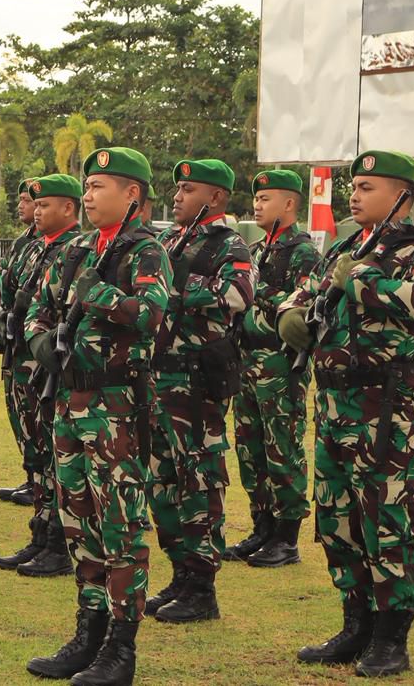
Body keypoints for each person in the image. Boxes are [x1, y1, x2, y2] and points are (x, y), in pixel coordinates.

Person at [280, 150, 414, 677]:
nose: (355, 194)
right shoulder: (345, 247)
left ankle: (392, 638)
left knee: (387, 518)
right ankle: (356, 623)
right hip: (334, 403)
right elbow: (299, 295)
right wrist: (292, 317)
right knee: (337, 516)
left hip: (387, 407)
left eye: (369, 186)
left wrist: (362, 282)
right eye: (355, 185)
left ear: (401, 197)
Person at [23, 147, 169, 683]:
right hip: (69, 401)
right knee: (77, 520)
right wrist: (42, 345)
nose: (87, 196)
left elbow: (151, 316)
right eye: (85, 187)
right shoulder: (78, 248)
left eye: (99, 186)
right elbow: (40, 308)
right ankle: (88, 631)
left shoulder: (146, 251)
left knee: (120, 525)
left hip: (116, 408)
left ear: (132, 194)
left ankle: (120, 648)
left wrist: (100, 294)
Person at [144, 159, 253, 625]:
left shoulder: (228, 244)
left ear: (216, 198)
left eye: (187, 189)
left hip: (196, 383)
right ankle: (180, 573)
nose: (176, 196)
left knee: (199, 481)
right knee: (162, 482)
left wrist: (175, 286)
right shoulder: (168, 239)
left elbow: (239, 294)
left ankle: (202, 585)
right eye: (177, 189)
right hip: (158, 377)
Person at [0, 174, 84, 576]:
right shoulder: (33, 248)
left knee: (53, 454)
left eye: (46, 205)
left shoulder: (78, 251)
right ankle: (40, 534)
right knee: (34, 454)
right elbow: (8, 292)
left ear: (68, 208)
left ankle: (60, 544)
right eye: (36, 204)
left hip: (47, 367)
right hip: (20, 363)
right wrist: (1, 320)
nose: (37, 210)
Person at [229, 170, 319, 568]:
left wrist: (254, 290)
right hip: (248, 359)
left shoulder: (302, 252)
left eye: (267, 199)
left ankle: (287, 538)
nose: (258, 205)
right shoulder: (258, 249)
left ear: (289, 204)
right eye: (257, 198)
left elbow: (298, 303)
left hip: (280, 361)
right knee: (250, 448)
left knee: (282, 447)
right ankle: (262, 527)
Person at [0, 180, 41, 505]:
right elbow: (7, 285)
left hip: (34, 349)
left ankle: (40, 478)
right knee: (17, 410)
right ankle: (30, 475)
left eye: (28, 201)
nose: (23, 206)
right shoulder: (20, 244)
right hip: (14, 344)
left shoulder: (54, 246)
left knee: (35, 413)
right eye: (24, 200)